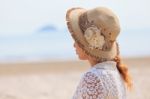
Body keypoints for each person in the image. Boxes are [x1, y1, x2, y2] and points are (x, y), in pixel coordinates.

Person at [66, 6, 132, 99]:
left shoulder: (93, 77)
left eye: (77, 39)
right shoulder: (116, 74)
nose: (74, 45)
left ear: (88, 43)